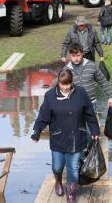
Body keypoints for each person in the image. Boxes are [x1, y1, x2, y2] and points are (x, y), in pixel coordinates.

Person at [31, 69, 100, 202]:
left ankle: (71, 194)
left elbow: (90, 113)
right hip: (58, 138)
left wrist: (95, 130)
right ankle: (58, 181)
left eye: (68, 84)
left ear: (72, 82)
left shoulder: (81, 93)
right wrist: (37, 132)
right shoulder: (50, 95)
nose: (66, 87)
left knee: (73, 167)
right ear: (58, 83)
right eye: (63, 84)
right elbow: (43, 116)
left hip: (76, 138)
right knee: (57, 166)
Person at [64, 42, 112, 113]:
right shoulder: (66, 70)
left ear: (82, 53)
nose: (76, 58)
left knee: (92, 124)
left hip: (91, 104)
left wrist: (111, 96)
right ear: (70, 55)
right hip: (74, 105)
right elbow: (61, 87)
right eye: (73, 56)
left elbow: (103, 81)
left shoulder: (92, 65)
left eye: (78, 55)